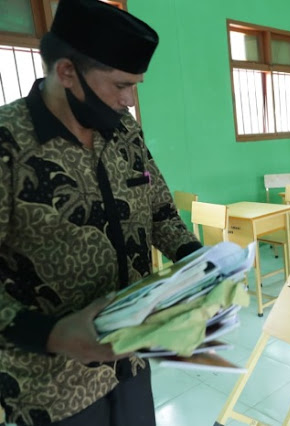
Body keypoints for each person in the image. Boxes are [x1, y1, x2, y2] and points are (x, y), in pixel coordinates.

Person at [0, 0, 202, 424]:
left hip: (131, 360)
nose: (130, 101)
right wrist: (53, 334)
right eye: (121, 85)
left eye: (136, 85)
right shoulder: (9, 144)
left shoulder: (123, 132)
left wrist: (197, 263)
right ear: (67, 72)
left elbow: (160, 209)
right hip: (51, 387)